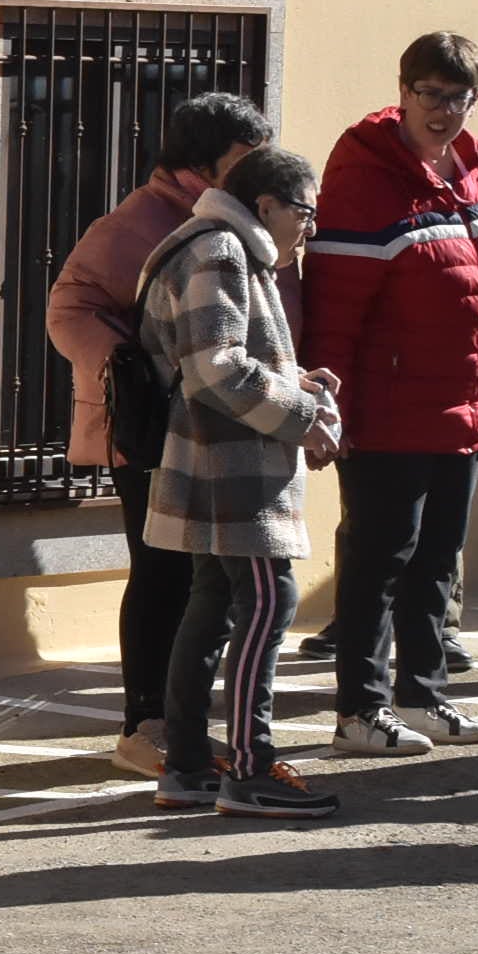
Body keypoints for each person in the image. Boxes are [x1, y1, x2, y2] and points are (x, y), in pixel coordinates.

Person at [302, 32, 478, 757]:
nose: (444, 111)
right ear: (404, 90)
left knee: (438, 560)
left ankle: (423, 695)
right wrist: (328, 407)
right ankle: (359, 708)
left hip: (468, 406)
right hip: (387, 411)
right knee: (382, 559)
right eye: (431, 94)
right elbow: (335, 306)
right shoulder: (364, 174)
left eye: (458, 97)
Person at [48, 92, 278, 776]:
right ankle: (142, 724)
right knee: (162, 574)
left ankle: (181, 724)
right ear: (201, 163)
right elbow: (70, 306)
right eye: (244, 157)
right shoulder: (138, 222)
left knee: (207, 579)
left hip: (218, 424)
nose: (257, 168)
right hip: (153, 432)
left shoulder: (237, 217)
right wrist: (126, 366)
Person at [138, 143, 345, 818]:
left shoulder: (219, 245)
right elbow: (215, 365)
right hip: (233, 468)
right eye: (305, 214)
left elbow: (219, 362)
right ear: (267, 206)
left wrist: (296, 385)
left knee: (213, 605)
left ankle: (191, 764)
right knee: (267, 602)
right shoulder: (221, 250)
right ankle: (250, 768)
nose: (309, 229)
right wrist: (303, 413)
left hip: (217, 459)